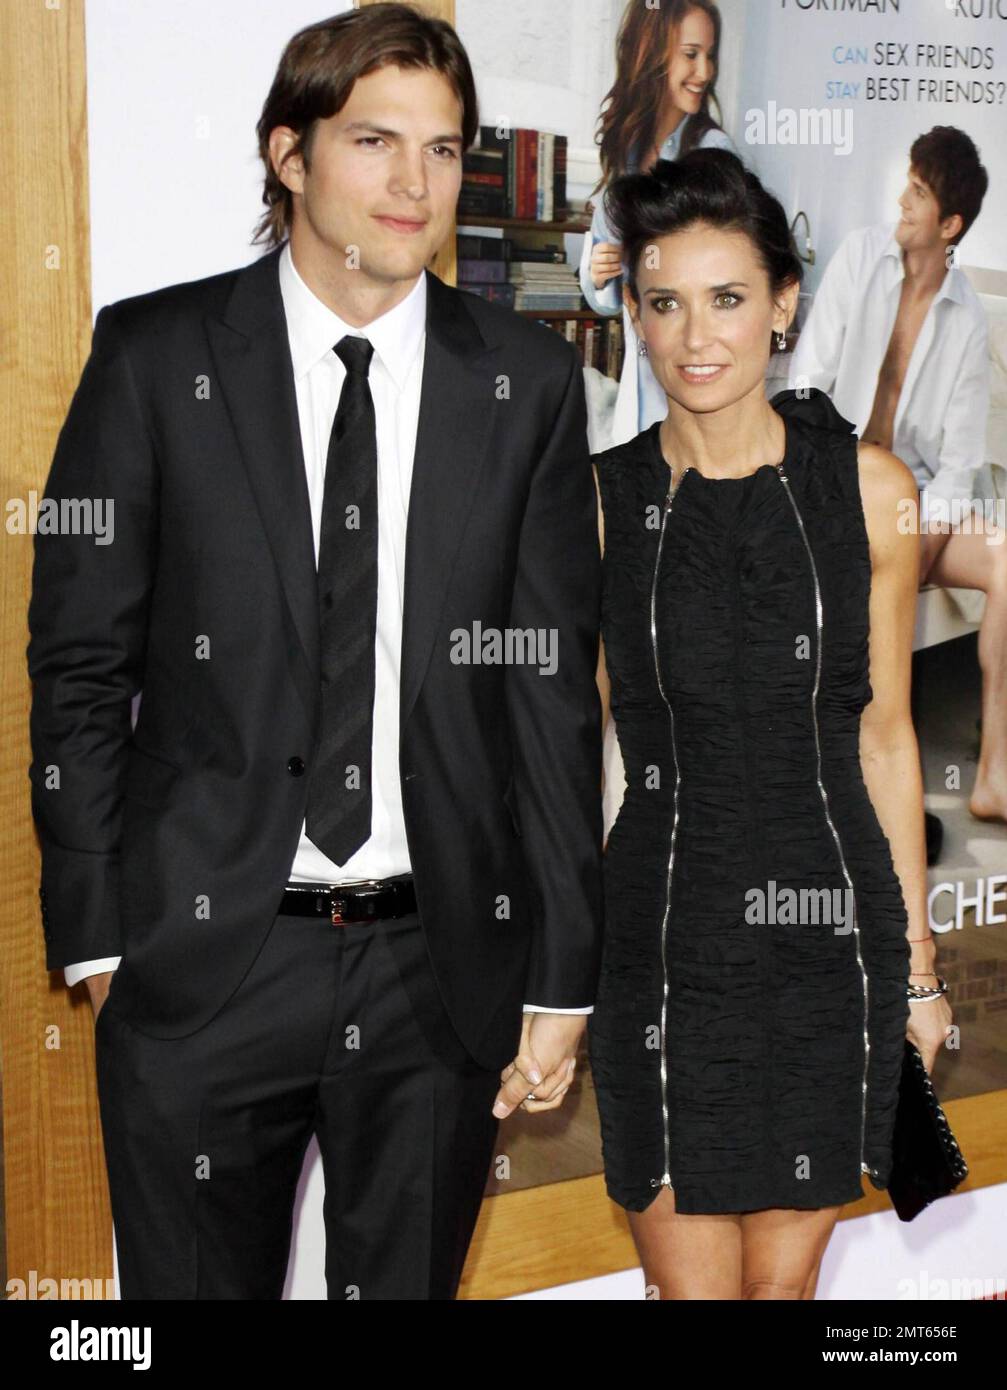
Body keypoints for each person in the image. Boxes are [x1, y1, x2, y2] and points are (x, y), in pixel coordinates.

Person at [27, 4, 603, 1301]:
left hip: (435, 973)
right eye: (373, 141)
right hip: (201, 962)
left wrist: (562, 964)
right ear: (287, 154)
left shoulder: (524, 385)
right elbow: (76, 661)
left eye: (445, 151)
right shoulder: (156, 356)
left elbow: (550, 693)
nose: (415, 184)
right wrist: (101, 931)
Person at [589, 148, 953, 1300]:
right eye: (663, 302)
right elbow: (582, 753)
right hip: (660, 945)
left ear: (782, 305)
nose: (696, 336)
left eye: (728, 298)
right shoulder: (596, 508)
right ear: (633, 314)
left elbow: (884, 740)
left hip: (825, 948)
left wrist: (917, 975)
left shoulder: (868, 493)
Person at [789, 127, 1005, 825]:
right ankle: (835, 765)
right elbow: (806, 386)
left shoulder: (967, 323)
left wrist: (916, 545)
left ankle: (993, 775)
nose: (901, 202)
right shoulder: (858, 259)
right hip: (838, 476)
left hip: (917, 506)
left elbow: (961, 465)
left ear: (949, 225)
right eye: (906, 182)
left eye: (918, 193)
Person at [579, 0, 738, 447]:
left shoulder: (712, 151)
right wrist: (599, 271)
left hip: (695, 371)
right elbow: (604, 299)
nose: (704, 71)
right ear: (652, 54)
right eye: (691, 54)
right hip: (641, 377)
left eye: (710, 55)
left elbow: (723, 269)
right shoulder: (627, 150)